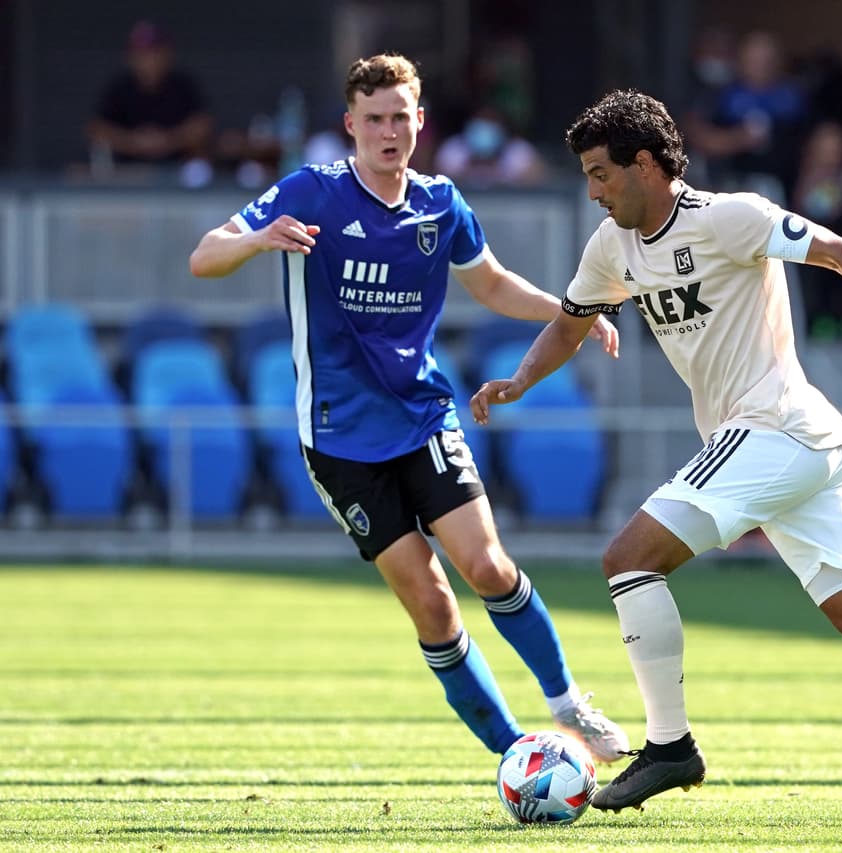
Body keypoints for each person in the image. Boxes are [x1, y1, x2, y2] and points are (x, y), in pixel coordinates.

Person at [470, 89, 842, 821]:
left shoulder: (731, 216)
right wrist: (519, 380)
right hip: (785, 445)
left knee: (628, 558)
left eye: (601, 174)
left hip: (777, 428)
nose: (593, 192)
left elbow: (839, 251)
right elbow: (572, 322)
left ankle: (670, 746)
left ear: (644, 164)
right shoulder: (612, 247)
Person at [188, 54, 628, 765]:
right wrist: (257, 238)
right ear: (351, 126)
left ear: (420, 122)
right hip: (338, 441)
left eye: (401, 117)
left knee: (487, 567)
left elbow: (492, 285)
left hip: (422, 418)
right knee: (433, 605)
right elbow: (203, 257)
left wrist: (574, 310)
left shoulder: (441, 203)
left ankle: (569, 701)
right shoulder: (312, 192)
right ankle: (518, 754)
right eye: (375, 120)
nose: (389, 132)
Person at [87, 20, 213, 176]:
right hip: (129, 172)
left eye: (155, 52)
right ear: (131, 57)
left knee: (200, 169)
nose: (149, 60)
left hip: (178, 170)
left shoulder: (182, 85)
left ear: (167, 54)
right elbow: (97, 130)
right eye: (142, 53)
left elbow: (202, 126)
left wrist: (167, 140)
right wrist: (134, 142)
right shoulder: (119, 88)